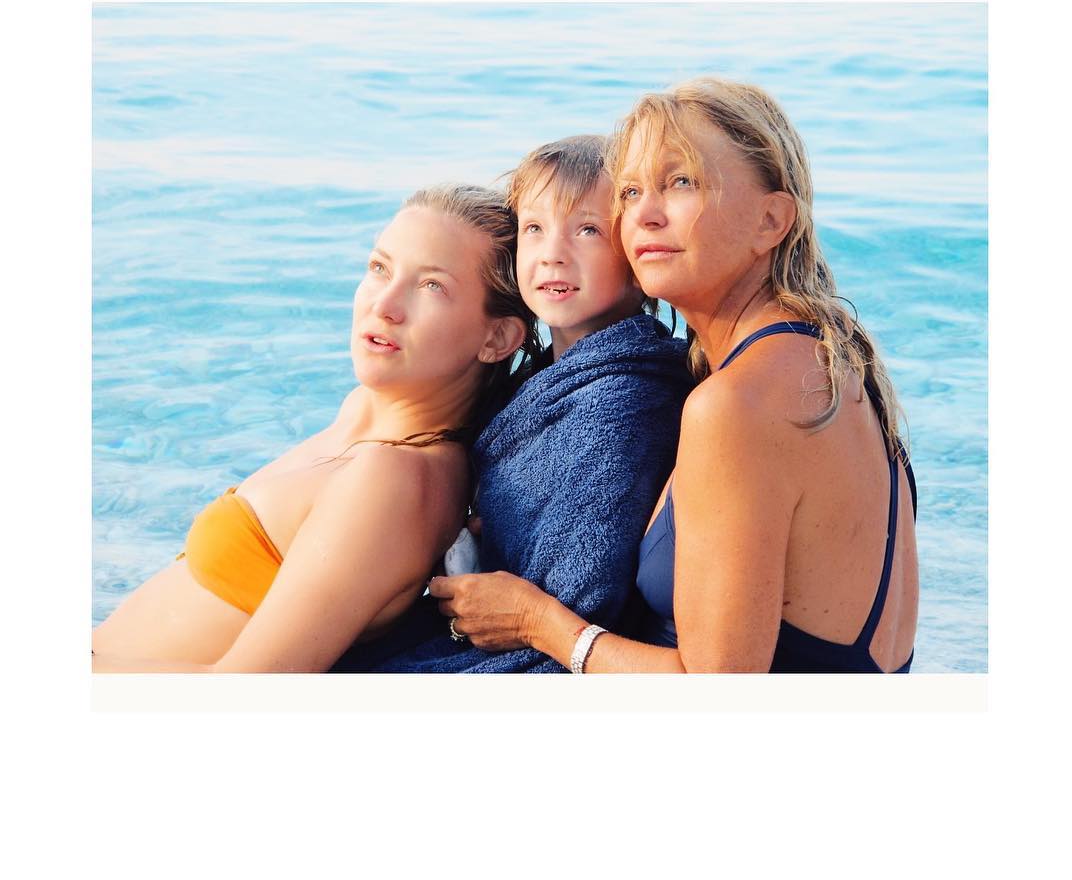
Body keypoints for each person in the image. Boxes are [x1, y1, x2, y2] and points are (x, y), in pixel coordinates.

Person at [428, 79, 920, 673]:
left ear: (771, 220)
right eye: (631, 192)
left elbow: (715, 693)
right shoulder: (834, 359)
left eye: (680, 182)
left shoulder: (737, 404)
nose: (644, 216)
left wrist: (540, 623)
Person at [92, 184, 535, 673]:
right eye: (379, 268)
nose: (384, 304)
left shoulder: (397, 478)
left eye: (432, 286)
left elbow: (249, 691)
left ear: (497, 337)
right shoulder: (366, 413)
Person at [334, 134, 693, 672]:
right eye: (534, 229)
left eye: (589, 231)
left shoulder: (622, 406)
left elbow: (583, 595)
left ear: (639, 260)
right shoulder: (548, 376)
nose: (553, 253)